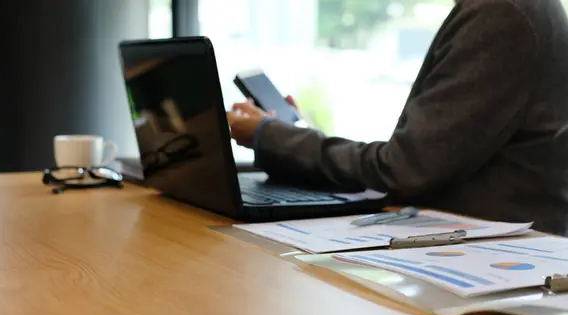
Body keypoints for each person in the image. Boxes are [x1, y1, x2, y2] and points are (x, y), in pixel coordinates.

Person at [227, 0, 568, 235]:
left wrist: (269, 134)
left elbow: (403, 169)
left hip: (491, 257)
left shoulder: (501, 14)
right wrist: (284, 136)